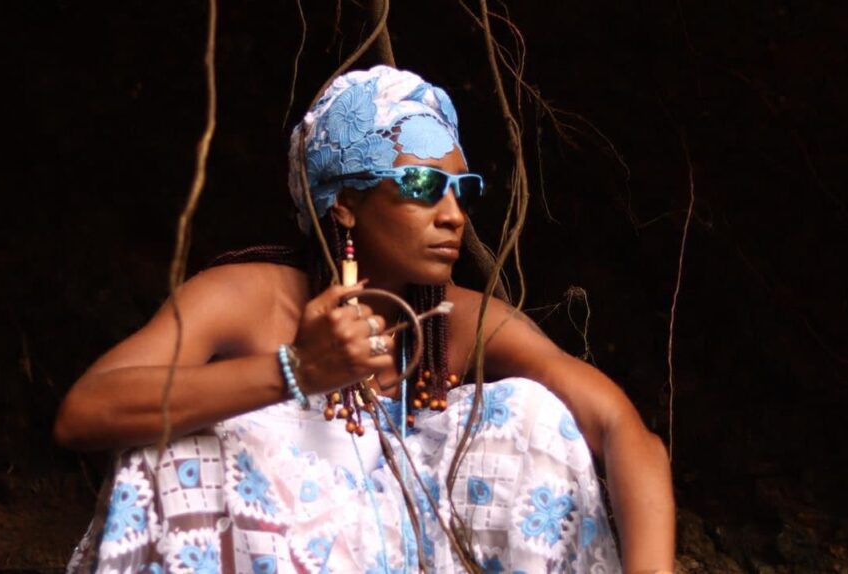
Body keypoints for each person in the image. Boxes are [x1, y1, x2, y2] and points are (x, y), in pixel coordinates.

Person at [56, 66, 674, 573]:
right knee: (186, 440)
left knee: (531, 412)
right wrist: (297, 372)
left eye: (461, 189)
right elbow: (85, 412)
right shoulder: (249, 298)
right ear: (346, 202)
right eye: (422, 184)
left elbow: (622, 430)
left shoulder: (457, 319)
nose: (453, 215)